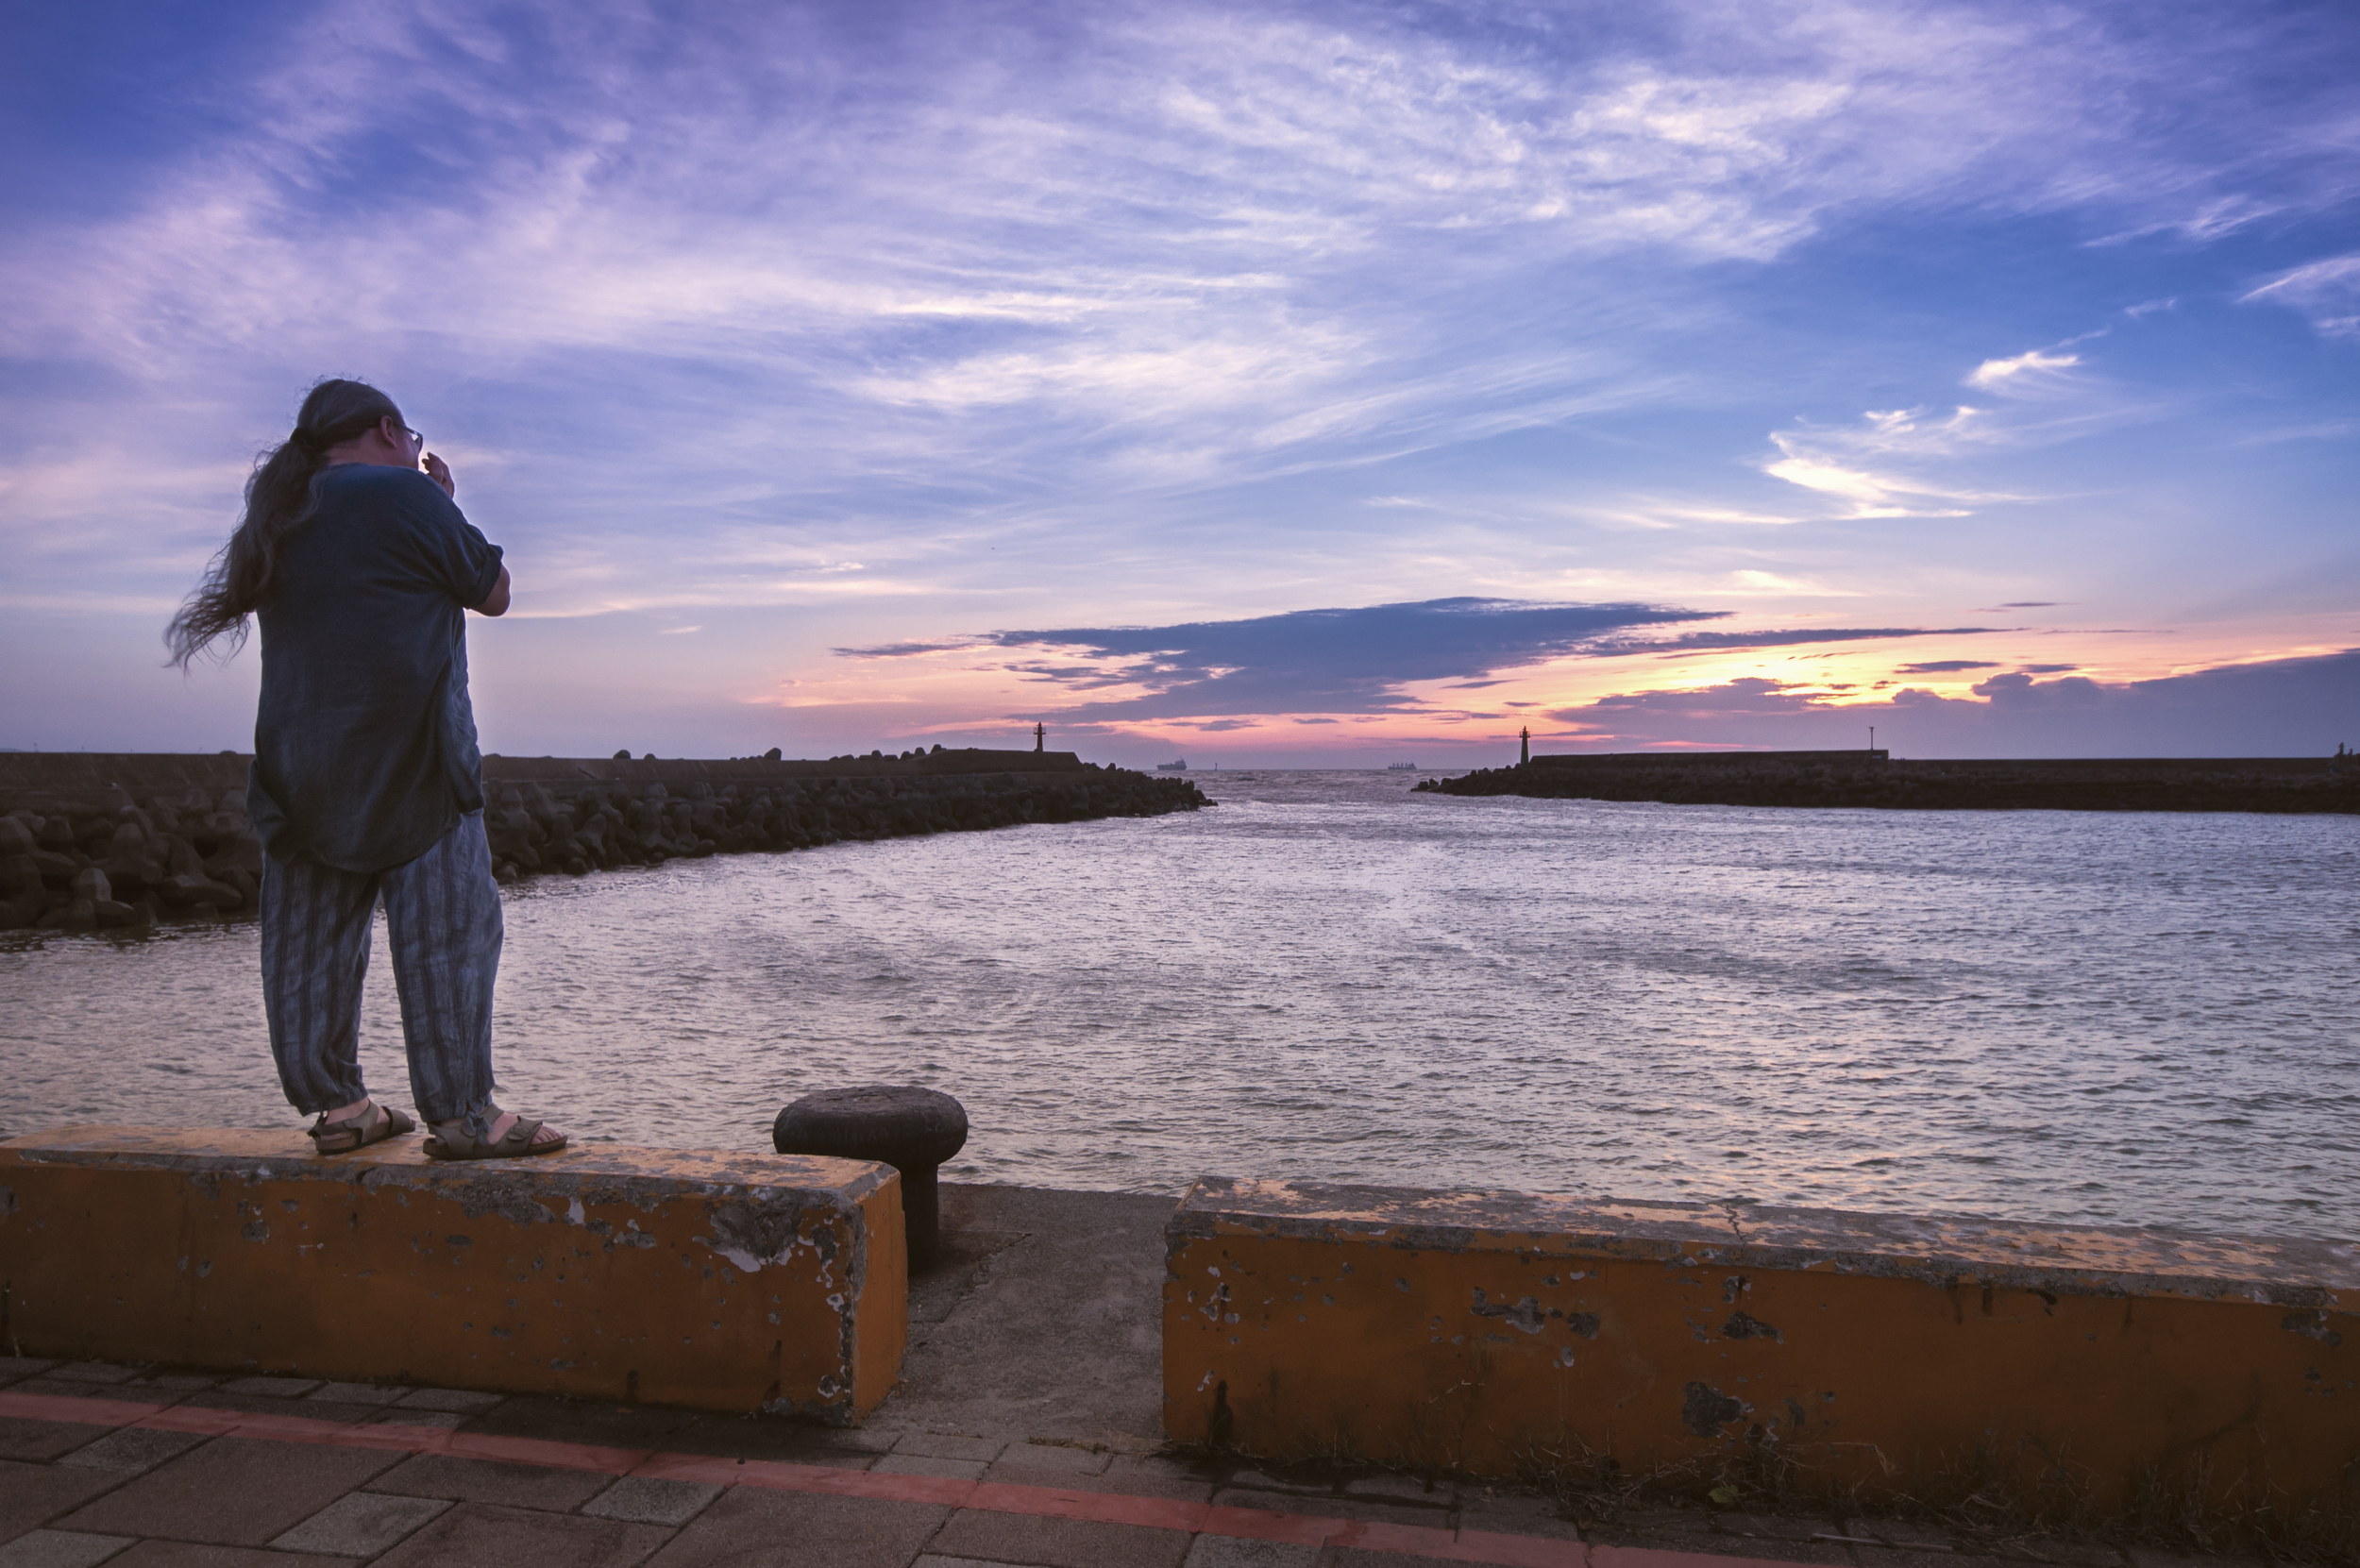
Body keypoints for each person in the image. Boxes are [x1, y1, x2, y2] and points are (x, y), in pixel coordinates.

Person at [166, 379, 565, 1160]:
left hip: (300, 766)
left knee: (308, 946)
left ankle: (341, 1108)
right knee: (450, 936)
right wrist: (443, 499)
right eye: (410, 438)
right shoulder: (405, 494)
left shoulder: (278, 512)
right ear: (388, 430)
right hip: (416, 762)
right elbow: (494, 593)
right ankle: (464, 1115)